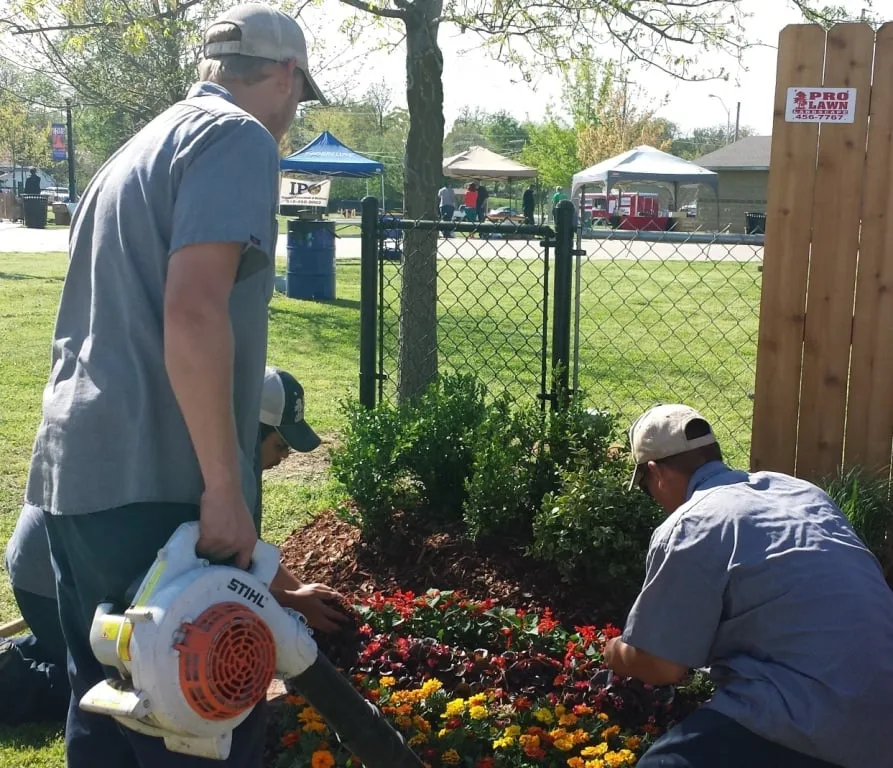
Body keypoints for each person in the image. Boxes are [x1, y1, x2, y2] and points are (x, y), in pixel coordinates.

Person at [22, 4, 326, 766]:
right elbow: (191, 310)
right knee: (197, 716)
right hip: (158, 481)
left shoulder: (132, 150)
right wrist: (226, 489)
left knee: (106, 699)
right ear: (286, 75)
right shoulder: (236, 137)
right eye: (298, 94)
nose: (291, 113)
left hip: (77, 478)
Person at [2, 365, 340, 727]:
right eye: (281, 445)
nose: (285, 457)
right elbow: (211, 580)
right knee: (116, 694)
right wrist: (288, 602)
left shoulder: (214, 444)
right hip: (53, 578)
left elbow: (242, 545)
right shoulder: (205, 465)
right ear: (249, 427)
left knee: (98, 654)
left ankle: (32, 649)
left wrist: (297, 589)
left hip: (71, 567)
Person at [605, 404, 893, 768]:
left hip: (813, 723)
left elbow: (662, 668)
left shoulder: (692, 522)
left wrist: (613, 650)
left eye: (646, 488)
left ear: (655, 472)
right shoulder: (802, 493)